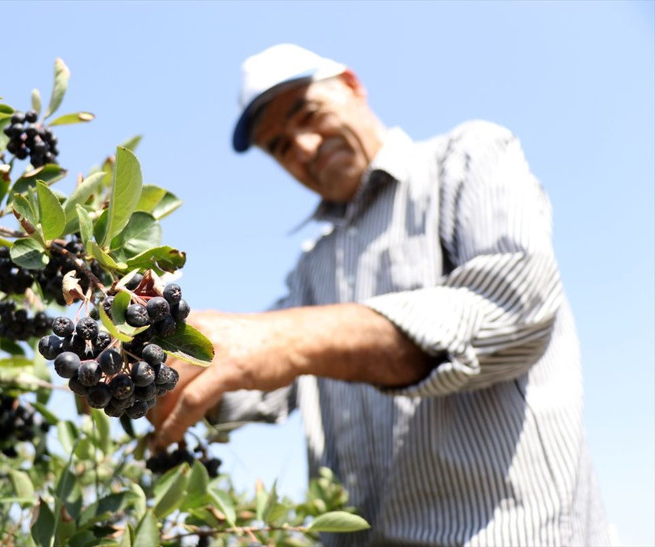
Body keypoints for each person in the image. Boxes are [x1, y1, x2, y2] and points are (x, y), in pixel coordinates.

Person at [149, 44, 613, 546]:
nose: (303, 147)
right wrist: (157, 375)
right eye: (281, 147)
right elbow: (256, 382)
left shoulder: (467, 158)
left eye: (308, 114)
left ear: (352, 85)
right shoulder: (313, 267)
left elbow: (514, 307)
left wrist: (287, 338)